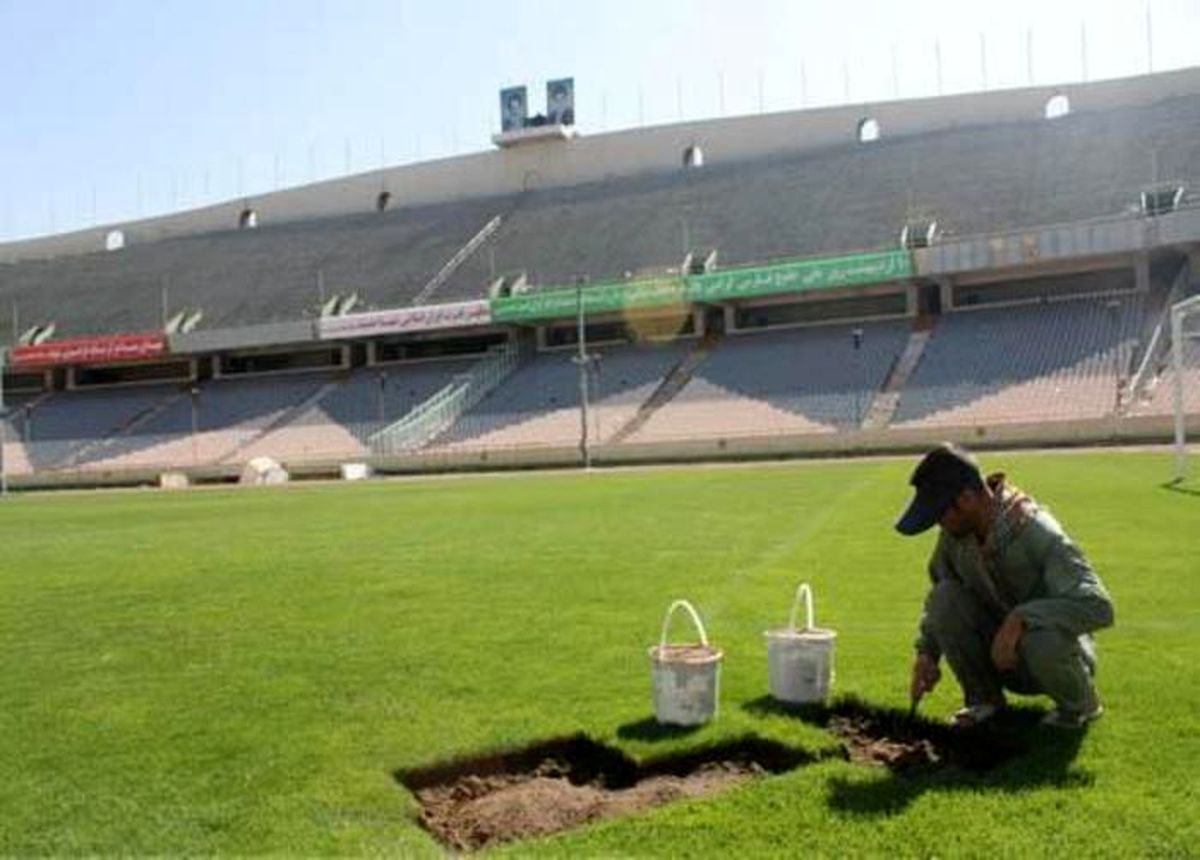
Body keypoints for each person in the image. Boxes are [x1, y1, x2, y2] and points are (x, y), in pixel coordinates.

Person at [895, 444, 1114, 729]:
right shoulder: (954, 535)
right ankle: (984, 700)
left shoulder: (1038, 531)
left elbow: (1098, 606)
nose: (939, 523)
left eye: (940, 514)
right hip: (995, 653)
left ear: (967, 498)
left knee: (1041, 639)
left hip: (1052, 654)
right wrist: (927, 653)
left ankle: (1080, 705)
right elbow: (940, 593)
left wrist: (1020, 619)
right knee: (944, 597)